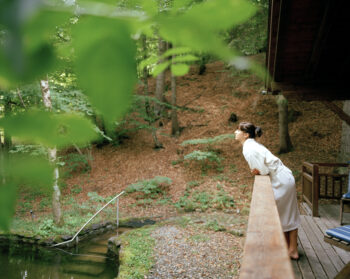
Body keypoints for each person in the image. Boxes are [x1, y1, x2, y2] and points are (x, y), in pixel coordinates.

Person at [235, 122, 300, 260]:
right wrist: (257, 171)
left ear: (246, 135)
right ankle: (289, 248)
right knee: (285, 214)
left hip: (281, 180)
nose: (235, 132)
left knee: (283, 214)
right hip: (283, 178)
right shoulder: (252, 145)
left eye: (238, 130)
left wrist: (256, 172)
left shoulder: (249, 148)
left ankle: (292, 249)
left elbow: (262, 171)